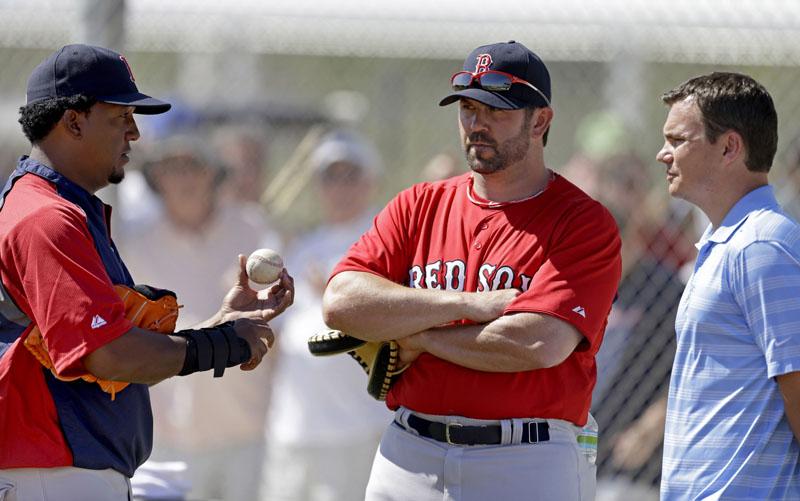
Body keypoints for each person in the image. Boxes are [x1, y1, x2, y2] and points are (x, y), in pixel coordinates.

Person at [322, 40, 622, 501]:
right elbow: (342, 302)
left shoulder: (582, 223)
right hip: (409, 452)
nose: (476, 124)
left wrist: (419, 337)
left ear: (540, 120)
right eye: (467, 107)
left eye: (496, 110)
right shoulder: (419, 204)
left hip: (525, 458)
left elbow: (537, 342)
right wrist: (470, 304)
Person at [0, 44, 293, 501]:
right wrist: (223, 344)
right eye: (121, 118)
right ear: (74, 122)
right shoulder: (46, 217)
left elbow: (115, 352)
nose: (135, 133)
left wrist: (217, 328)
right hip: (50, 471)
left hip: (63, 468)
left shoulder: (63, 209)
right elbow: (110, 355)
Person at [655, 72, 800, 499]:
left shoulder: (762, 245)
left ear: (729, 147)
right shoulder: (733, 241)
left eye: (678, 140)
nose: (662, 154)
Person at [120, 133, 282, 501]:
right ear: (156, 180)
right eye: (172, 168)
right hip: (166, 435)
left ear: (215, 174)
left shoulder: (252, 231)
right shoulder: (134, 245)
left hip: (246, 429)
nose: (185, 178)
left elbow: (277, 329)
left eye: (195, 166)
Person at [261, 130, 392, 501]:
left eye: (349, 174)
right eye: (329, 176)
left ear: (370, 181)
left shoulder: (381, 241)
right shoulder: (303, 245)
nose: (339, 186)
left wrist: (334, 301)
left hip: (351, 429)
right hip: (292, 427)